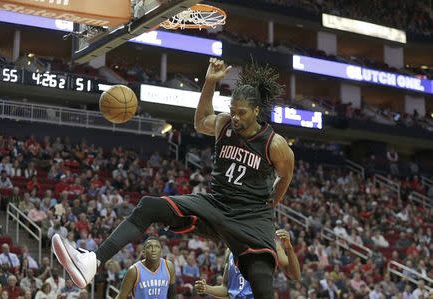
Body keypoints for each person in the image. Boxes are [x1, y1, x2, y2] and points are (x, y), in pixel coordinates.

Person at [52, 58, 294, 299]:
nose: (236, 118)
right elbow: (200, 122)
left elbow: (285, 176)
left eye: (241, 113)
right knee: (149, 205)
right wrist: (209, 82)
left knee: (260, 279)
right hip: (216, 204)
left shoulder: (275, 144)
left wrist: (271, 203)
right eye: (233, 111)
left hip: (251, 217)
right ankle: (92, 261)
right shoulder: (224, 124)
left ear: (256, 111)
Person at [194, 229, 300, 299]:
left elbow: (295, 275)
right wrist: (207, 288)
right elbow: (227, 290)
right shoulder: (229, 250)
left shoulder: (268, 242)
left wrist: (288, 248)